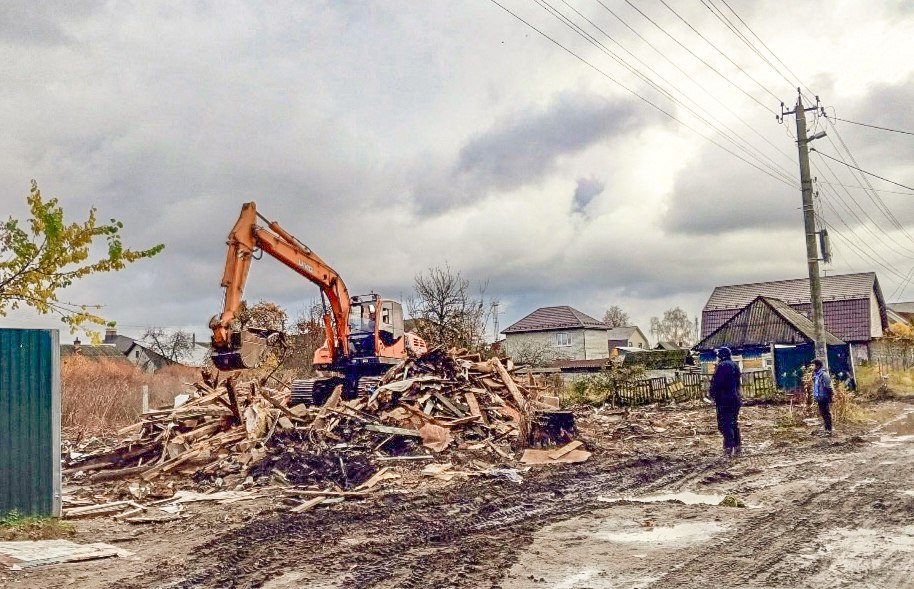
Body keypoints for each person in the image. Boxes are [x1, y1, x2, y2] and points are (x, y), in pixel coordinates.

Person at [709, 347, 742, 458]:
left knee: (725, 424)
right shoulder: (734, 365)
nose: (717, 358)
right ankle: (737, 446)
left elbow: (717, 383)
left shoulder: (722, 366)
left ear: (721, 356)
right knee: (733, 422)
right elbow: (737, 383)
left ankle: (728, 447)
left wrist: (712, 395)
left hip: (724, 400)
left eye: (718, 356)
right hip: (735, 399)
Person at [812, 358, 833, 436]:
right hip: (819, 398)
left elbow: (828, 387)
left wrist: (830, 398)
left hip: (824, 397)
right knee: (823, 414)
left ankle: (829, 431)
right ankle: (826, 429)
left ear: (818, 366)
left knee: (826, 414)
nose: (812, 367)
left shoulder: (824, 375)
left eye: (813, 365)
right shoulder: (816, 375)